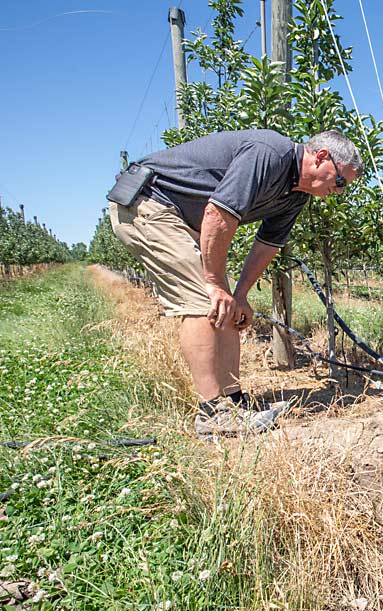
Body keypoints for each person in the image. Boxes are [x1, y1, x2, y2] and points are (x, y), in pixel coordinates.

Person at [107, 129, 362, 435]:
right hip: (150, 204)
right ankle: (212, 414)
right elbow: (218, 214)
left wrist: (239, 295)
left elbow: (267, 245)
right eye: (340, 181)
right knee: (206, 301)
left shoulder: (296, 197)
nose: (339, 191)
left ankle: (234, 402)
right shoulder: (270, 154)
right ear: (321, 158)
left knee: (226, 306)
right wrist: (214, 283)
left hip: (182, 219)